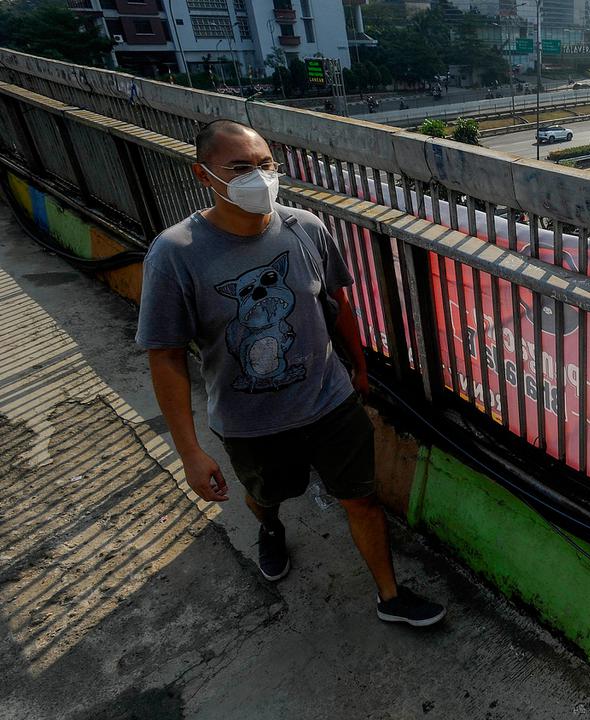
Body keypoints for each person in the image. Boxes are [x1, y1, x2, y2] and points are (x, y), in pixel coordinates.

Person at [136, 120, 446, 628]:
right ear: (203, 174)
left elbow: (337, 304)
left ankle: (390, 596)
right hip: (250, 422)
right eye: (240, 168)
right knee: (267, 494)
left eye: (265, 165)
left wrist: (359, 367)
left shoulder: (306, 228)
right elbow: (166, 355)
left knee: (363, 498)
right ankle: (270, 527)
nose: (257, 178)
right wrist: (189, 451)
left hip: (330, 401)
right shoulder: (176, 254)